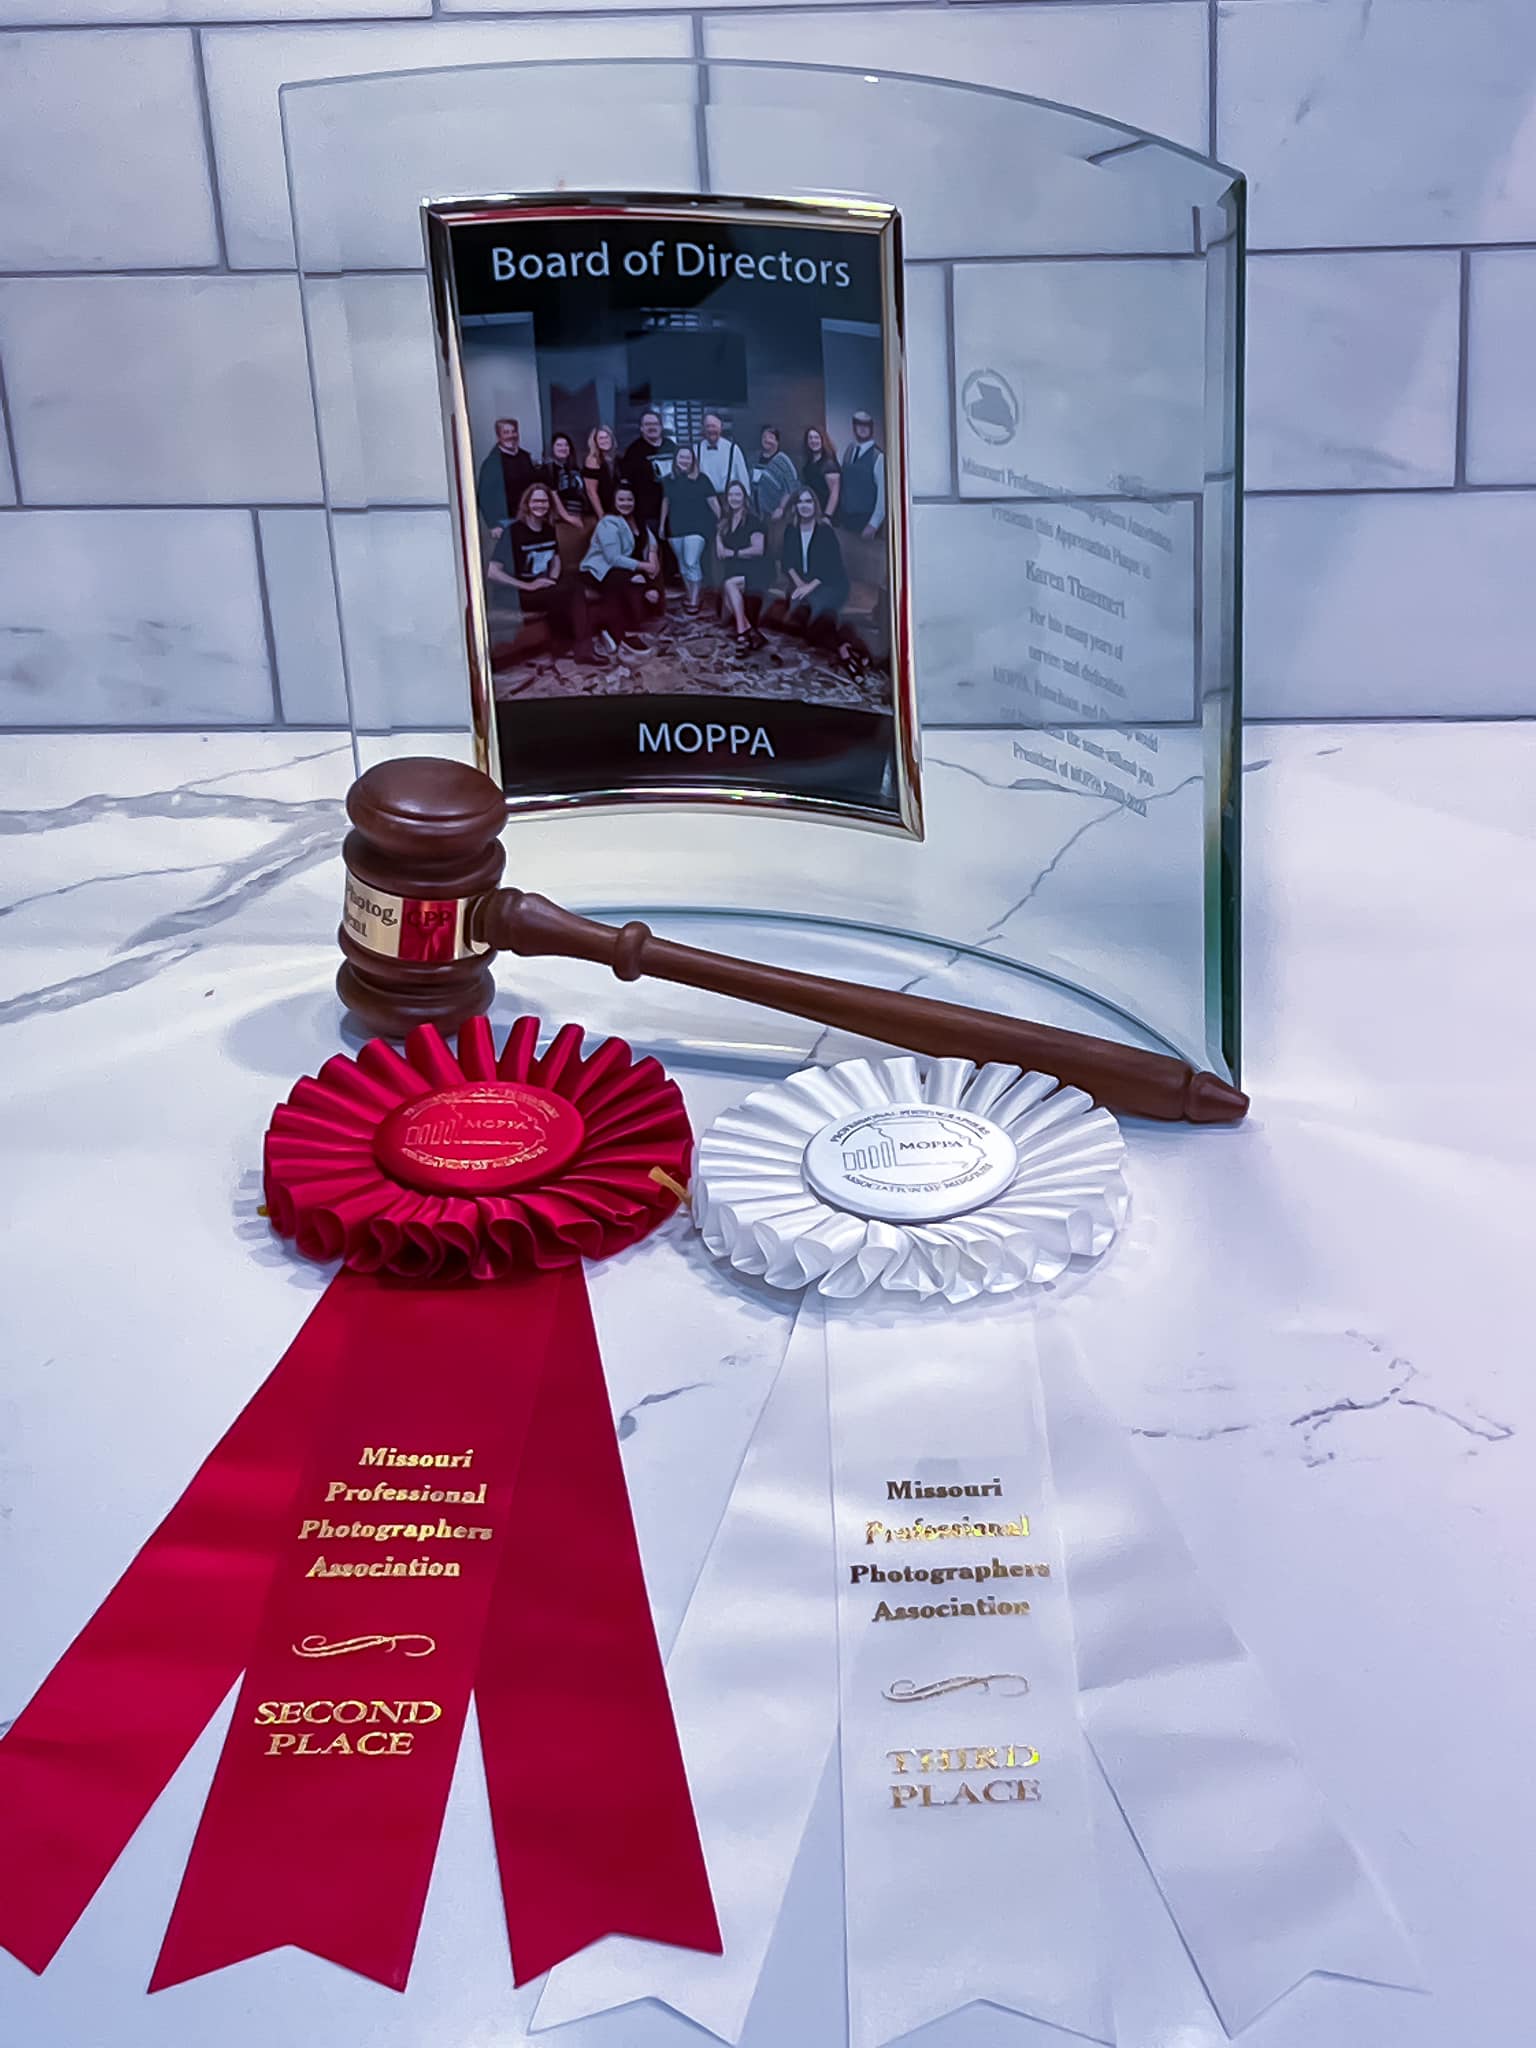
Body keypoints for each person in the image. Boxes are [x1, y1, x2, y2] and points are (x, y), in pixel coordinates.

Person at [486, 482, 608, 668]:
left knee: (572, 585)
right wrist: (527, 585)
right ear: (527, 504)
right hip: (515, 594)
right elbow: (492, 571)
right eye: (536, 501)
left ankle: (562, 645)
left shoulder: (548, 529)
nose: (540, 505)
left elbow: (555, 559)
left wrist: (551, 580)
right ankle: (583, 651)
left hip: (541, 587)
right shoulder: (513, 532)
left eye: (544, 501)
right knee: (571, 592)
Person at [774, 485, 868, 678]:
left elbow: (831, 566)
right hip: (801, 584)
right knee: (802, 616)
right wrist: (800, 585)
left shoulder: (825, 531)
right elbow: (787, 562)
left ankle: (843, 650)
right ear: (795, 506)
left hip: (831, 584)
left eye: (808, 501)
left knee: (814, 610)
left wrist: (808, 588)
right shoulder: (791, 530)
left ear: (815, 505)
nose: (804, 506)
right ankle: (845, 647)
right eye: (800, 502)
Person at [581, 480, 663, 651]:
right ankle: (620, 634)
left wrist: (652, 555)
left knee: (649, 572)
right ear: (614, 501)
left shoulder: (637, 521)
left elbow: (651, 541)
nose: (626, 503)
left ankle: (649, 607)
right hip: (599, 570)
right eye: (621, 500)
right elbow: (613, 558)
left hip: (624, 568)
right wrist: (643, 567)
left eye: (629, 499)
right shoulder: (608, 522)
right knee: (627, 579)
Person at [662, 444, 716, 615]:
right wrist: (662, 525)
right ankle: (690, 593)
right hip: (675, 527)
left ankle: (694, 598)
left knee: (691, 561)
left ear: (693, 460)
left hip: (698, 527)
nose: (684, 460)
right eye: (681, 457)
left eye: (688, 457)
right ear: (676, 459)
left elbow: (713, 502)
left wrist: (723, 523)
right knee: (683, 565)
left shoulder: (702, 479)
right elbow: (666, 502)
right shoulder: (668, 480)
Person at [714, 478, 767, 651]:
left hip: (755, 570)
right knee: (725, 610)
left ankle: (741, 633)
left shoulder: (753, 520)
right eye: (731, 495)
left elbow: (758, 550)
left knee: (729, 585)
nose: (734, 498)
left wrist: (734, 553)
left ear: (744, 497)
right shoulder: (725, 522)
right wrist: (719, 540)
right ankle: (751, 631)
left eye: (738, 494)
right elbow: (720, 552)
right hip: (733, 571)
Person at [836, 410, 886, 559]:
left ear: (871, 428)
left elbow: (883, 495)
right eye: (859, 425)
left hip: (866, 521)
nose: (862, 429)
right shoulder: (849, 451)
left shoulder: (878, 457)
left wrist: (873, 524)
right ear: (854, 427)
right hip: (847, 519)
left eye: (866, 425)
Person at [477, 419, 538, 540]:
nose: (511, 436)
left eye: (513, 431)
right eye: (506, 432)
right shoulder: (492, 463)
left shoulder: (525, 457)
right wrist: (493, 524)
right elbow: (484, 496)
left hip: (528, 518)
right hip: (505, 522)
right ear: (498, 436)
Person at [619, 409, 678, 533]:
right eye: (647, 424)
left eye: (655, 424)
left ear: (661, 427)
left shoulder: (671, 446)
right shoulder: (633, 451)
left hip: (673, 512)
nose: (652, 427)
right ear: (641, 428)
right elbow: (625, 482)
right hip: (646, 514)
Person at [542, 430, 592, 570]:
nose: (563, 448)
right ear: (552, 449)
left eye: (566, 445)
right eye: (559, 445)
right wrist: (568, 517)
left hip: (579, 513)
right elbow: (553, 494)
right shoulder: (548, 469)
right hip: (561, 518)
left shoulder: (574, 468)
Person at [693, 412, 751, 505]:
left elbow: (742, 476)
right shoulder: (696, 449)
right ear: (703, 429)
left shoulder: (733, 449)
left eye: (714, 426)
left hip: (729, 500)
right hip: (705, 500)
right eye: (708, 426)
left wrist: (746, 500)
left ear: (721, 427)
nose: (711, 429)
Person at [751, 425, 799, 528]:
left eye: (771, 437)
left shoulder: (783, 460)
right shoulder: (754, 458)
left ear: (777, 441)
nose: (767, 440)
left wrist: (781, 508)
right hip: (755, 511)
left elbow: (791, 487)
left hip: (775, 512)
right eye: (764, 437)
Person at [800, 424, 841, 522]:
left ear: (822, 440)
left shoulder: (829, 464)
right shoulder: (809, 463)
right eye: (810, 438)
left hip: (826, 515)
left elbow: (834, 493)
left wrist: (827, 516)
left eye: (816, 437)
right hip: (814, 514)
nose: (813, 441)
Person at [582, 424, 619, 519]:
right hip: (599, 512)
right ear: (595, 442)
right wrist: (601, 516)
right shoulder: (593, 460)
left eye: (607, 437)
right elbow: (591, 491)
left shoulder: (617, 459)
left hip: (615, 509)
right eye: (601, 438)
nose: (605, 441)